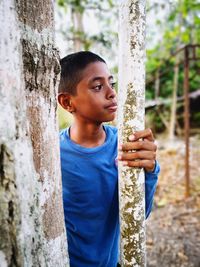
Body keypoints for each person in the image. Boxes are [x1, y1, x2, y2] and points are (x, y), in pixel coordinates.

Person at [58, 51, 160, 267]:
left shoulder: (125, 144)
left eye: (111, 83)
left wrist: (149, 170)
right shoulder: (53, 154)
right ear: (67, 102)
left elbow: (139, 215)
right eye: (97, 87)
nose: (112, 93)